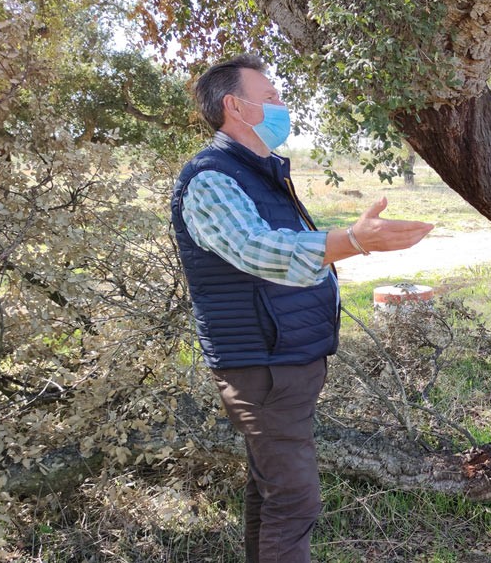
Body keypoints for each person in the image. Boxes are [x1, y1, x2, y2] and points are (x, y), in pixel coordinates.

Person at [170, 54, 433, 563]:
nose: (282, 105)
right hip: (261, 366)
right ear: (235, 107)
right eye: (270, 97)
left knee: (270, 490)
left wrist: (345, 244)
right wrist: (353, 239)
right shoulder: (211, 179)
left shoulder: (259, 173)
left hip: (281, 360)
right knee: (294, 499)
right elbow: (258, 250)